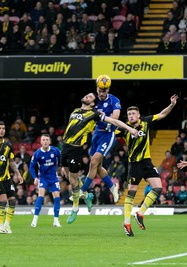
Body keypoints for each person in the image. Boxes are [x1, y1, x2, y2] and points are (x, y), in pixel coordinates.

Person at [61, 92, 138, 224]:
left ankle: (77, 204)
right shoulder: (74, 111)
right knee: (69, 175)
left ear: (92, 104)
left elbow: (113, 120)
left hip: (76, 149)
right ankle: (93, 194)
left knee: (87, 169)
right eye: (87, 95)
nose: (87, 96)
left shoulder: (94, 113)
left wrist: (129, 128)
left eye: (90, 97)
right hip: (65, 147)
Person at [122, 94, 178, 237]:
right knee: (131, 194)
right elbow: (109, 130)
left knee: (158, 187)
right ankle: (126, 222)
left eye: (133, 113)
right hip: (134, 164)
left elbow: (161, 114)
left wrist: (171, 104)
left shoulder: (146, 121)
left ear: (139, 115)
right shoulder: (124, 128)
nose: (131, 116)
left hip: (146, 162)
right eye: (129, 114)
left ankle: (140, 213)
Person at [79, 75, 123, 205]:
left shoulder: (114, 100)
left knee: (93, 161)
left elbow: (115, 117)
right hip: (96, 134)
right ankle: (112, 187)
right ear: (97, 89)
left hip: (108, 135)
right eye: (99, 90)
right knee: (97, 167)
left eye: (104, 90)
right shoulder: (94, 100)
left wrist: (101, 117)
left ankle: (83, 190)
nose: (102, 93)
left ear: (108, 90)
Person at [29, 134, 62, 228]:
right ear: (40, 142)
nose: (45, 141)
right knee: (41, 196)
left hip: (53, 177)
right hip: (43, 177)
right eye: (43, 140)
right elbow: (31, 166)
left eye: (47, 139)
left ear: (50, 141)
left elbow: (61, 159)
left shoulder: (55, 150)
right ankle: (34, 219)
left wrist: (62, 168)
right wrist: (35, 177)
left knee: (57, 198)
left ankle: (56, 220)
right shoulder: (37, 153)